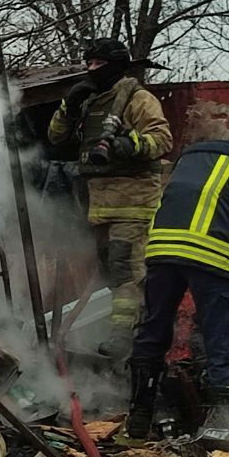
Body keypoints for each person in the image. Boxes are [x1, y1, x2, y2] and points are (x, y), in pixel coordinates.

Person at [126, 111, 229, 449]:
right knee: (223, 338)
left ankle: (139, 417)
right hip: (212, 253)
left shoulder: (195, 153)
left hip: (161, 249)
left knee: (153, 330)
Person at [47, 38, 172, 361]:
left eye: (98, 65)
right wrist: (70, 105)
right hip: (99, 203)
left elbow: (162, 138)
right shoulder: (92, 101)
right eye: (88, 64)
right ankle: (126, 331)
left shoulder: (138, 99)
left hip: (133, 199)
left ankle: (126, 338)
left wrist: (126, 144)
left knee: (125, 268)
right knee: (110, 270)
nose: (91, 70)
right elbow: (57, 138)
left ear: (116, 65)